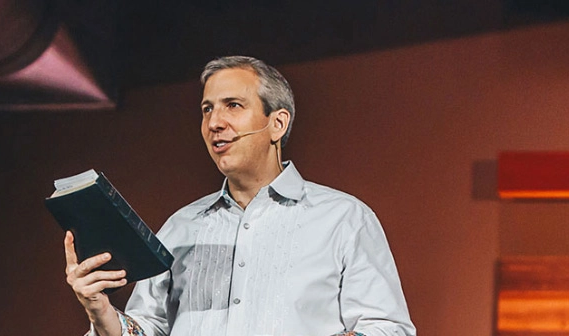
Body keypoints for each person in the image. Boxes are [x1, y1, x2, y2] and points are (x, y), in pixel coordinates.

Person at [64, 56, 416, 336]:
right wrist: (100, 311)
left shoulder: (344, 219)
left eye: (232, 105)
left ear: (277, 123)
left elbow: (388, 329)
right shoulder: (180, 228)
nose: (214, 122)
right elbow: (148, 330)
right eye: (207, 109)